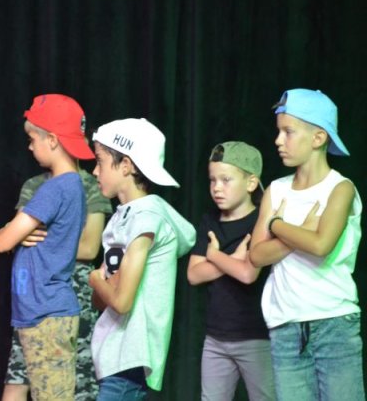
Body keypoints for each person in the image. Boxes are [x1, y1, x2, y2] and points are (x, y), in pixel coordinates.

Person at [250, 88, 364, 400]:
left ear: (318, 138)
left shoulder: (340, 189)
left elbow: (321, 244)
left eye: (288, 132)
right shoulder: (276, 190)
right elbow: (257, 255)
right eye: (278, 132)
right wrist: (300, 232)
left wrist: (276, 226)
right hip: (286, 328)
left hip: (334, 325)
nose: (278, 140)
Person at [0, 94, 95, 400]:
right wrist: (19, 233)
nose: (29, 147)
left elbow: (2, 241)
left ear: (52, 140)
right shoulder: (72, 185)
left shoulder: (55, 188)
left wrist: (13, 232)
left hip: (46, 313)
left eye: (32, 139)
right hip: (42, 312)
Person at [89, 118, 196, 400]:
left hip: (130, 357)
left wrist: (95, 279)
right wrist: (102, 283)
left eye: (100, 161)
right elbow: (101, 300)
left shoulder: (147, 219)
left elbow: (121, 301)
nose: (95, 170)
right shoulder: (123, 218)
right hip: (113, 354)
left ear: (126, 165)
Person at [2, 167, 112, 401]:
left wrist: (42, 243)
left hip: (72, 293)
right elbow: (14, 236)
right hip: (32, 296)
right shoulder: (34, 184)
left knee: (76, 383)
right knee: (18, 377)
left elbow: (89, 248)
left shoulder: (89, 185)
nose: (31, 148)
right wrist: (14, 234)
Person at [187, 141, 275, 400]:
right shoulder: (209, 221)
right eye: (212, 180)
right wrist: (232, 261)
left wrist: (214, 256)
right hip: (216, 338)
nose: (217, 187)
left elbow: (248, 274)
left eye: (226, 180)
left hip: (256, 337)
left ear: (251, 183)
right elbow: (193, 275)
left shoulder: (260, 222)